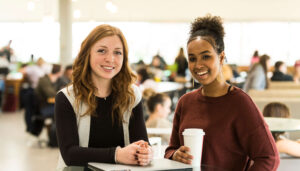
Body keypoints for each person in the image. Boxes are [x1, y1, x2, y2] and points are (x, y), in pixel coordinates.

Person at [164, 15, 279, 170]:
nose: (198, 65)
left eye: (206, 56)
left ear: (221, 57)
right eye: (192, 58)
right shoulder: (185, 102)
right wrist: (175, 155)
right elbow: (171, 150)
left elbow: (269, 157)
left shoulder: (240, 103)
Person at [55, 24, 153, 170]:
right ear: (87, 54)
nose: (110, 59)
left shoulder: (132, 95)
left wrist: (147, 152)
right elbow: (70, 154)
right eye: (102, 51)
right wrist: (117, 155)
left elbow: (141, 141)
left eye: (118, 52)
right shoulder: (67, 97)